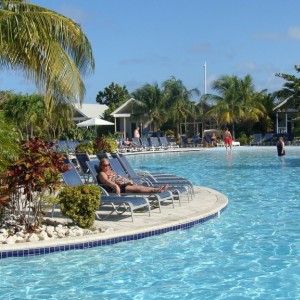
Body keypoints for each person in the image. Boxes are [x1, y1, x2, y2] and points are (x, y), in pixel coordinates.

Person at [98, 158, 169, 195]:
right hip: (119, 187)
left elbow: (120, 178)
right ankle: (156, 190)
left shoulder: (111, 171)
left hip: (124, 183)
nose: (107, 167)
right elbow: (106, 181)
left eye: (108, 165)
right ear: (101, 166)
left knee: (140, 187)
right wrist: (116, 186)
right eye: (105, 165)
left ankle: (157, 189)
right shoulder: (102, 173)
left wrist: (128, 180)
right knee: (138, 188)